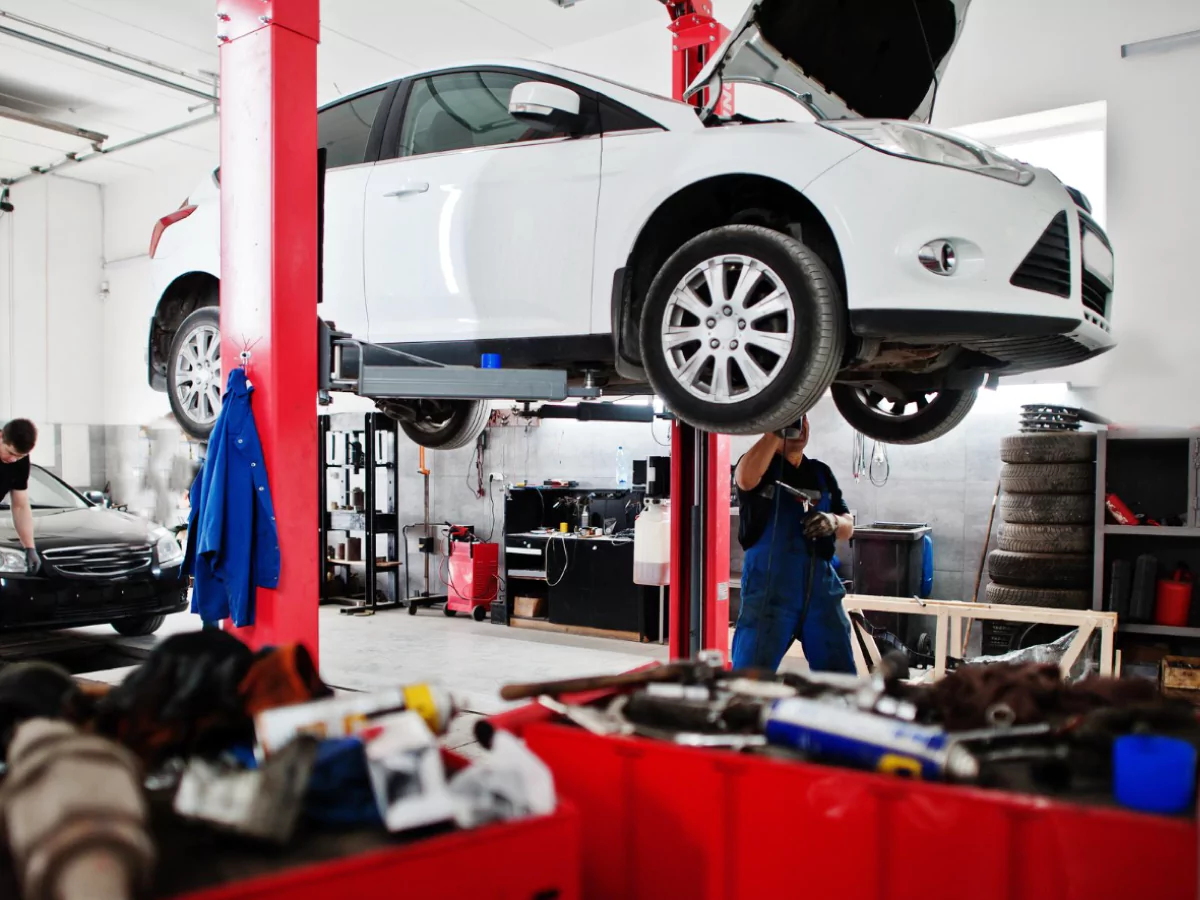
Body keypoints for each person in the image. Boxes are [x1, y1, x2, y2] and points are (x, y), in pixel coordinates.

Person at [730, 414, 855, 673]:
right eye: (794, 420)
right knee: (749, 679)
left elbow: (848, 526)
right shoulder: (759, 467)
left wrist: (832, 521)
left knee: (838, 679)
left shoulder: (821, 472)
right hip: (769, 592)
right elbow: (744, 479)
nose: (801, 427)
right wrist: (775, 429)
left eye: (803, 420)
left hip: (822, 592)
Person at [0, 419, 41, 574]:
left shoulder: (19, 462)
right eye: (10, 453)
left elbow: (20, 505)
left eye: (19, 456)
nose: (13, 460)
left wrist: (29, 547)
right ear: (1, 436)